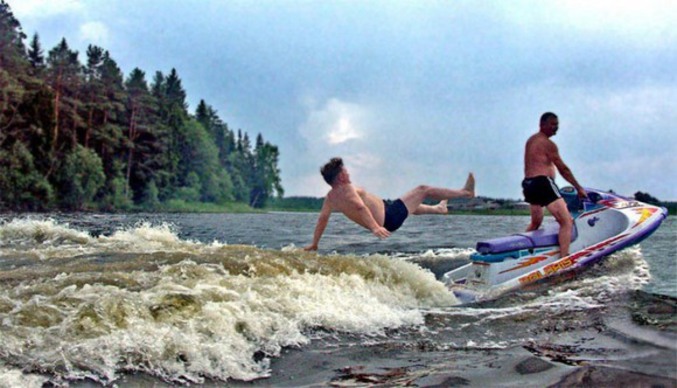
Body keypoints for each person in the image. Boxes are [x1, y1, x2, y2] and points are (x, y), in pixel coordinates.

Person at [304, 157, 475, 251]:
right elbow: (360, 207)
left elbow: (322, 220)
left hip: (387, 211)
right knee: (423, 190)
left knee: (411, 206)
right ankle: (465, 193)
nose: (348, 172)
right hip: (388, 219)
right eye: (345, 170)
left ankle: (438, 209)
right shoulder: (347, 189)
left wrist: (315, 244)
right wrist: (374, 228)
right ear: (340, 176)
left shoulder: (331, 197)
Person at [523, 112, 587, 257]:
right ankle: (564, 257)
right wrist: (578, 187)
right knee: (566, 221)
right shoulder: (548, 144)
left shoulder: (531, 140)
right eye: (552, 125)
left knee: (535, 223)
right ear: (542, 124)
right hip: (542, 183)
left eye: (557, 125)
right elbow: (563, 169)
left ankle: (520, 249)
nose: (555, 128)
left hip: (529, 184)